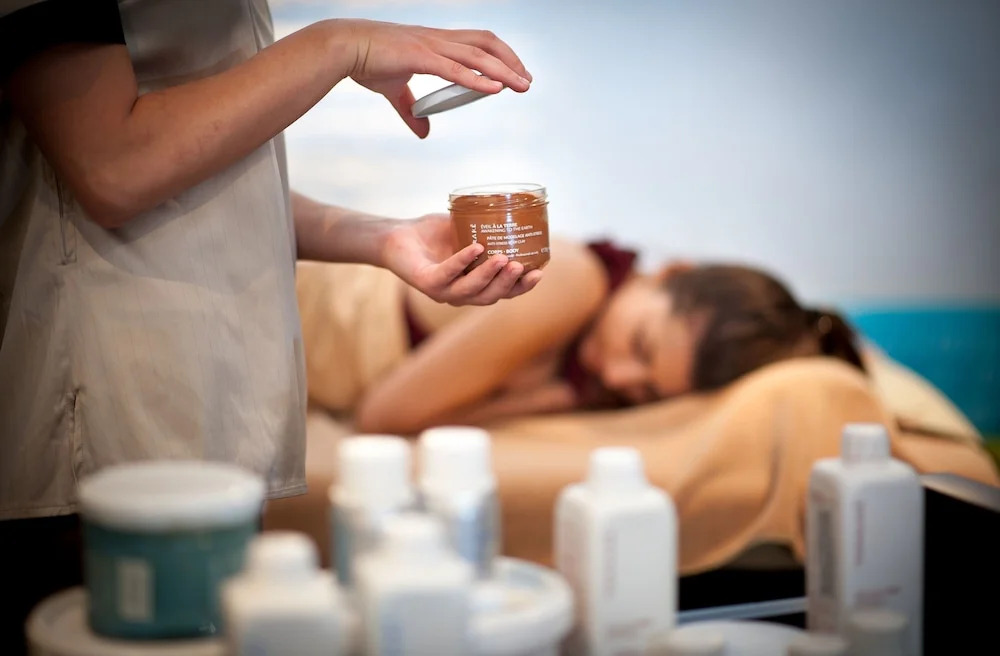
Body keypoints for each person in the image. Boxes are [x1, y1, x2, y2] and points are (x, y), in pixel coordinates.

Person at [0, 0, 537, 656]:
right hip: (110, 419)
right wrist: (340, 45)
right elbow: (111, 165)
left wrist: (383, 237)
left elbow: (210, 184)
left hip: (215, 406)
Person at [297, 236, 867, 434]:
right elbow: (380, 418)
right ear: (670, 274)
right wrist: (550, 398)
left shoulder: (592, 369)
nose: (617, 376)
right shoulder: (573, 280)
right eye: (641, 345)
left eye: (645, 391)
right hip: (285, 307)